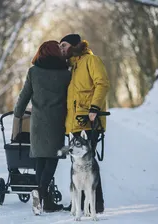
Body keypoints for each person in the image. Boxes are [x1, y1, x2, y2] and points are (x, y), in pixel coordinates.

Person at [13, 40, 71, 215]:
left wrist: (17, 114)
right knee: (52, 158)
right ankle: (44, 196)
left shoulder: (34, 72)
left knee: (39, 158)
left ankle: (43, 198)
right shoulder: (66, 74)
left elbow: (24, 96)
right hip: (57, 122)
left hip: (37, 122)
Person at [59, 34, 110, 213]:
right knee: (78, 164)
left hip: (89, 122)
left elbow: (102, 83)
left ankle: (91, 204)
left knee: (88, 164)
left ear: (74, 45)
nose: (61, 49)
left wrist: (94, 108)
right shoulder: (72, 67)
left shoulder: (91, 60)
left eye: (64, 45)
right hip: (73, 125)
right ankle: (86, 203)